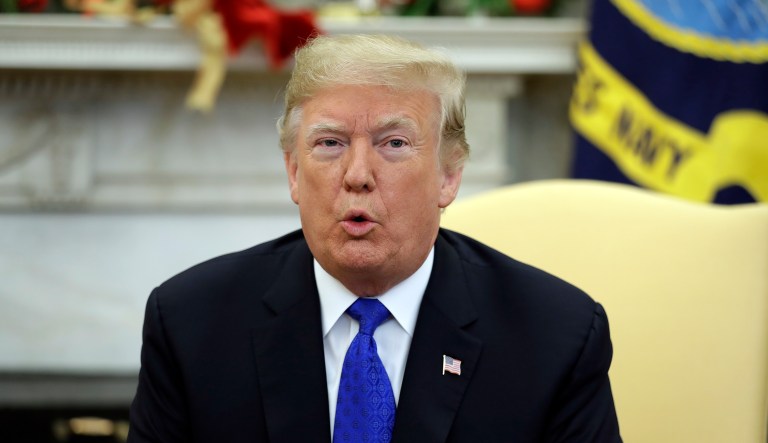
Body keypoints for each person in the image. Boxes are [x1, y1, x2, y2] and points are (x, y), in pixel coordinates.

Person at [128, 34, 621, 442]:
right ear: (294, 172)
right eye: (330, 144)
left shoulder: (555, 337)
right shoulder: (191, 323)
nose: (357, 174)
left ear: (449, 176)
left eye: (394, 143)